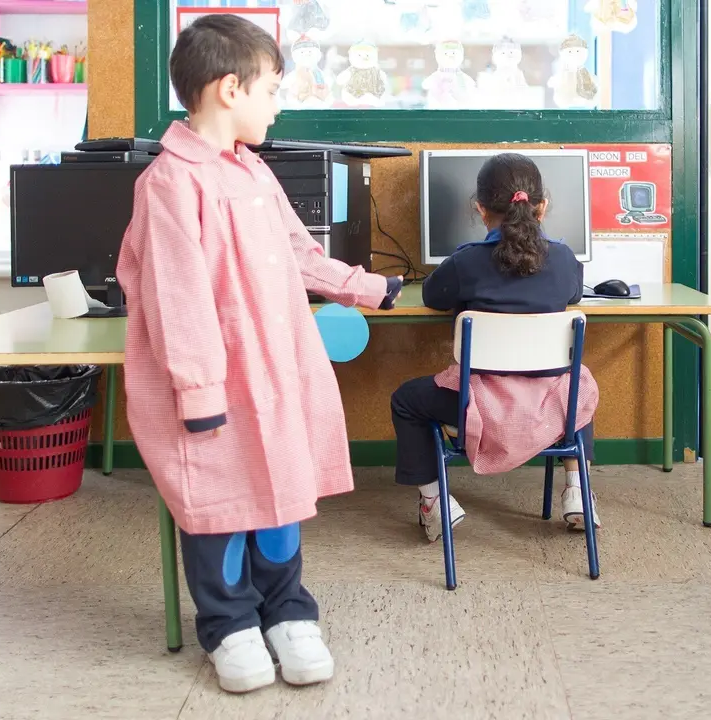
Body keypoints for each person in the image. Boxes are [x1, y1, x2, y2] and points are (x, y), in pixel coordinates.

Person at [116, 15, 402, 695]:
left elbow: (300, 251)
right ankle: (229, 622)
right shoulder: (170, 184)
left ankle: (288, 610)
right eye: (271, 88)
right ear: (228, 90)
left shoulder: (251, 172)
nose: (278, 103)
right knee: (220, 498)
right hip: (211, 383)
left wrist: (366, 288)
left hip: (275, 370)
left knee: (278, 491)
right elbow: (177, 302)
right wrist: (199, 394)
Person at [390, 153, 600, 543]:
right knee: (576, 387)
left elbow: (434, 296)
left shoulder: (466, 262)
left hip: (481, 408)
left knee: (406, 400)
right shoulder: (566, 260)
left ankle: (435, 502)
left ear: (480, 209)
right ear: (542, 206)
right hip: (546, 404)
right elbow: (573, 293)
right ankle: (578, 490)